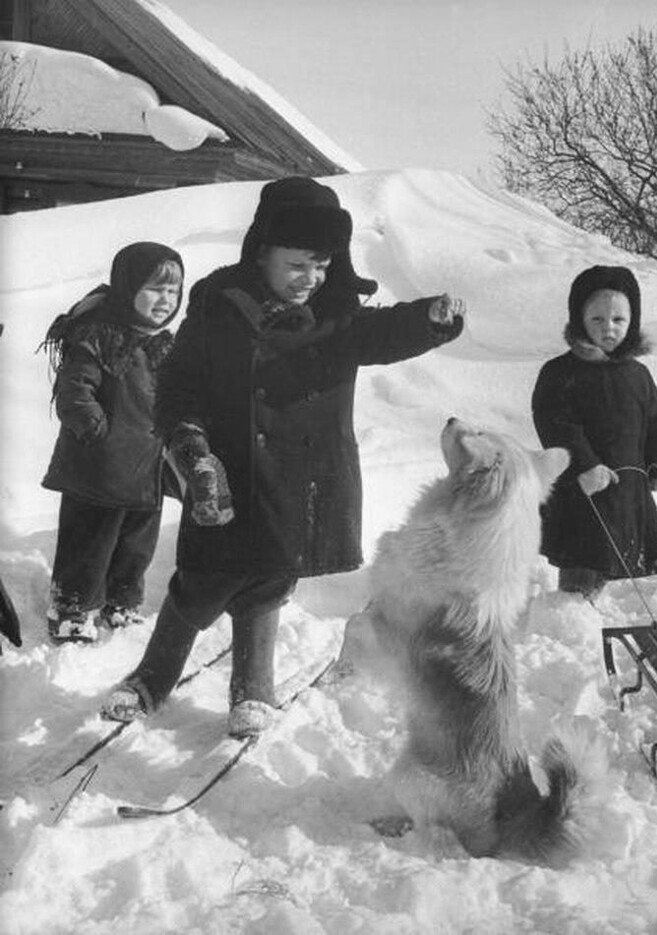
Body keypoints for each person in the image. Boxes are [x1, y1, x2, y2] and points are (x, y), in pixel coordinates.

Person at [102, 176, 466, 738]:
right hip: (225, 472)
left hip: (300, 479)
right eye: (297, 264)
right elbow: (178, 383)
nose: (310, 278)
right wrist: (188, 442)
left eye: (322, 265)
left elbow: (383, 332)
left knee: (271, 578)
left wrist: (428, 320)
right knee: (202, 580)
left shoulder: (338, 315)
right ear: (262, 252)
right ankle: (151, 677)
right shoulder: (219, 304)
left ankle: (253, 689)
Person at [41, 242, 184, 642]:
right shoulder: (99, 336)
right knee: (90, 543)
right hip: (98, 470)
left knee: (136, 544)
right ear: (127, 286)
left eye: (173, 290)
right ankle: (71, 608)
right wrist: (97, 432)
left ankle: (121, 602)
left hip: (146, 468)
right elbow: (75, 389)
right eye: (154, 288)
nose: (165, 299)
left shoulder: (163, 344)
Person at [531, 265, 657, 600]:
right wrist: (584, 465)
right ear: (579, 319)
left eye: (618, 319)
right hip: (585, 491)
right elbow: (556, 423)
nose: (608, 328)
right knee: (585, 562)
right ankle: (573, 618)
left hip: (629, 493)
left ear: (632, 321)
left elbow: (656, 420)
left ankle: (621, 619)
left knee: (631, 566)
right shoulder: (560, 373)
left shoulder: (638, 375)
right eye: (597, 319)